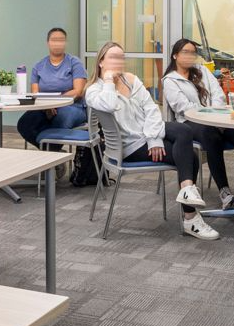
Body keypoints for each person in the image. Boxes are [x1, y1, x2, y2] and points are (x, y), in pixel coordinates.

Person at [84, 42, 219, 241]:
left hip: (148, 134)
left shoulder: (131, 80)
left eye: (121, 57)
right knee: (190, 157)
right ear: (101, 62)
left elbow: (151, 109)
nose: (118, 61)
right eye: (112, 57)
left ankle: (187, 191)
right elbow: (110, 103)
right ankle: (190, 217)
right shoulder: (93, 91)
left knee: (183, 129)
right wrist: (108, 80)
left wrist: (154, 139)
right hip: (130, 147)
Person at [160, 39, 234, 211]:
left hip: (216, 117)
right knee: (210, 133)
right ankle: (225, 192)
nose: (190, 55)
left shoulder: (202, 70)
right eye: (185, 52)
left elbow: (218, 94)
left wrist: (214, 112)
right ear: (175, 55)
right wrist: (208, 114)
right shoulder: (170, 80)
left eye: (193, 52)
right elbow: (183, 107)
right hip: (189, 123)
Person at [16, 27, 88, 148]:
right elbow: (35, 93)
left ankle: (51, 158)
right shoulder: (38, 66)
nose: (57, 43)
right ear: (48, 42)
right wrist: (46, 107)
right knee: (25, 123)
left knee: (59, 120)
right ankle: (52, 155)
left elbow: (78, 91)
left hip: (72, 106)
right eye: (54, 40)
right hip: (45, 107)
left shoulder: (74, 63)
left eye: (61, 40)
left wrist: (56, 103)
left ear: (65, 43)